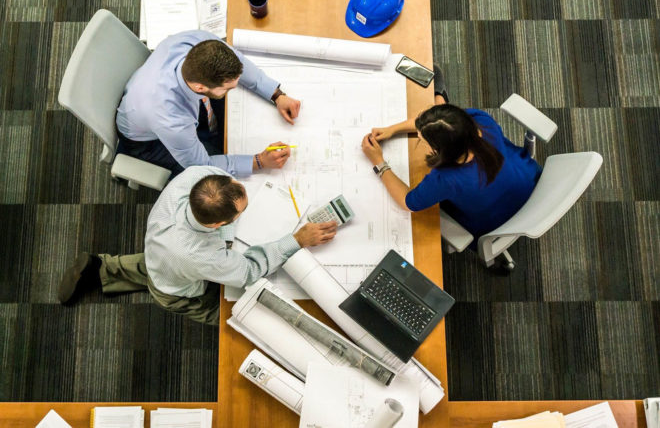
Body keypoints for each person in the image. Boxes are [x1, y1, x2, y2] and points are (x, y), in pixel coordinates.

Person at [57, 166, 337, 325]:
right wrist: (297, 239)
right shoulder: (201, 256)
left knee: (158, 264)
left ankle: (102, 268)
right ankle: (107, 272)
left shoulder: (195, 178)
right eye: (241, 212)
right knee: (233, 314)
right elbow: (249, 271)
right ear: (218, 225)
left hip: (161, 251)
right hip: (177, 289)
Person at [361, 67, 541, 270]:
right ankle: (440, 96)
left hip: (495, 222)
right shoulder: (481, 122)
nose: (419, 139)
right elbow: (443, 123)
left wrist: (379, 163)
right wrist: (392, 129)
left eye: (422, 140)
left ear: (440, 150)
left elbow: (407, 202)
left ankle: (439, 95)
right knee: (435, 78)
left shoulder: (446, 179)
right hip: (529, 181)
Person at [116, 30, 302, 177]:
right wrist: (259, 161)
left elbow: (239, 62)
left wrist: (276, 95)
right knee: (215, 177)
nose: (233, 89)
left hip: (153, 98)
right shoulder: (170, 119)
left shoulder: (198, 43)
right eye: (228, 88)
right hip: (147, 142)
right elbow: (202, 165)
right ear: (200, 87)